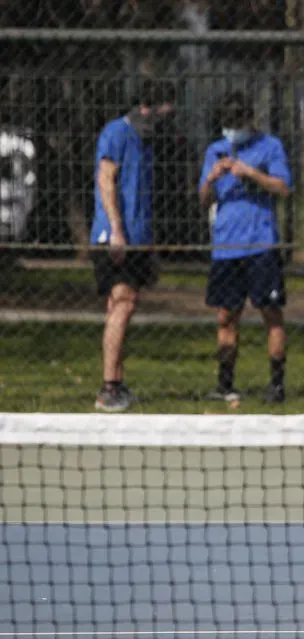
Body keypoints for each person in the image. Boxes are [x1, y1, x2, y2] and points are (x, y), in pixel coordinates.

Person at [199, 92, 292, 404]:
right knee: (226, 316)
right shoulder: (215, 150)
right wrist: (211, 180)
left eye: (238, 122)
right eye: (228, 123)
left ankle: (276, 386)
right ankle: (225, 385)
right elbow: (203, 199)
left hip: (260, 244)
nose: (233, 129)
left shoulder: (270, 146)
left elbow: (282, 187)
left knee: (271, 313)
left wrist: (250, 173)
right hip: (226, 247)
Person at [90, 79, 176, 412]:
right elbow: (105, 181)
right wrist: (116, 231)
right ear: (146, 108)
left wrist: (148, 243)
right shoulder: (116, 133)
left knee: (122, 305)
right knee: (122, 304)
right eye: (162, 111)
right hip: (114, 237)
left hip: (138, 239)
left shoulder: (147, 140)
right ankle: (109, 386)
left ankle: (116, 382)